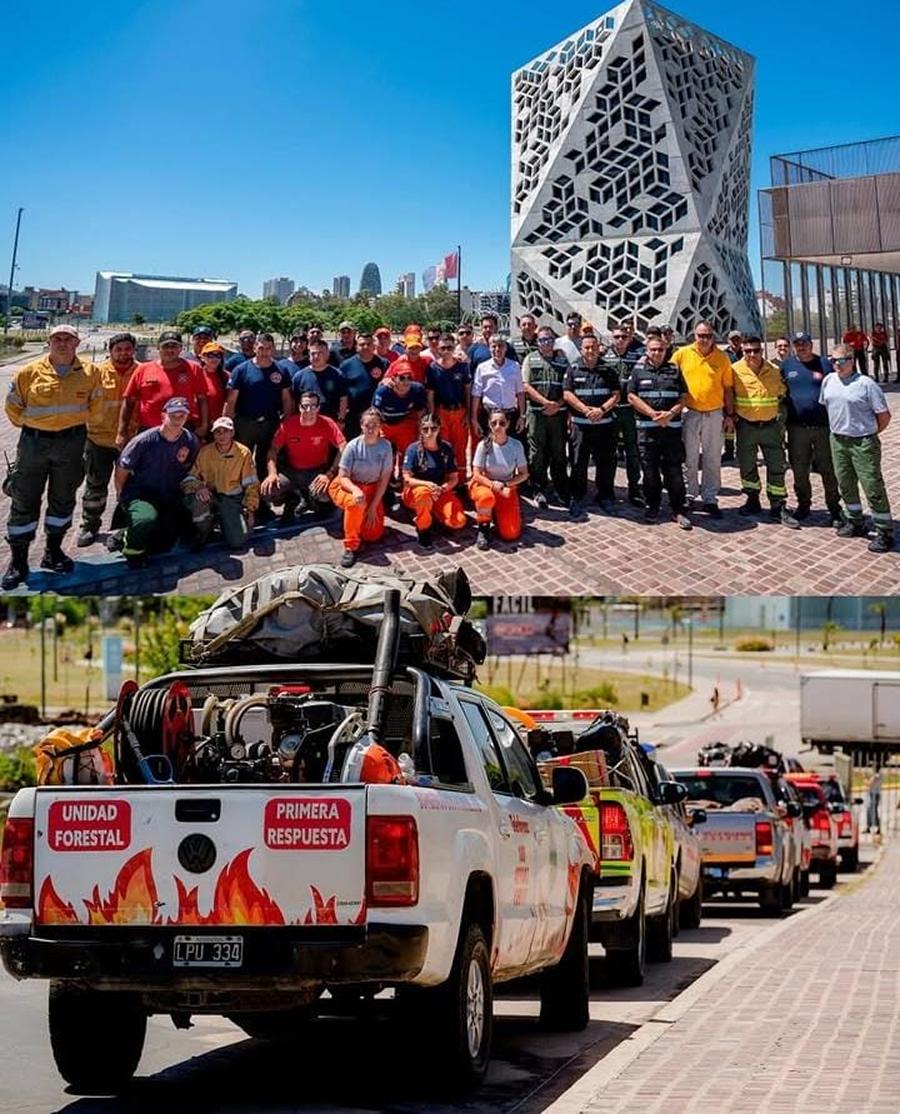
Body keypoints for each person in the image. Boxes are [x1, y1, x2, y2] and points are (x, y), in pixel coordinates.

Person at [2, 324, 102, 588]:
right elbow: (12, 406)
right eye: (56, 338)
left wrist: (71, 423)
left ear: (77, 343)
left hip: (71, 442)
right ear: (49, 342)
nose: (62, 343)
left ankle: (52, 552)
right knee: (23, 499)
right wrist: (40, 424)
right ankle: (19, 562)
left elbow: (97, 404)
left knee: (63, 499)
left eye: (67, 339)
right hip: (34, 443)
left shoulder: (90, 373)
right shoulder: (29, 372)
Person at [821, 343, 894, 552]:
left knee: (872, 486)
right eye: (832, 360)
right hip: (838, 440)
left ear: (852, 360)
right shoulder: (828, 381)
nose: (836, 364)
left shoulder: (866, 384)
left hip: (862, 442)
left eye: (841, 360)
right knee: (845, 483)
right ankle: (855, 521)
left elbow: (884, 416)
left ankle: (884, 531)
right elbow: (829, 407)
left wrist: (868, 434)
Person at [112, 397, 199, 568]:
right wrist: (121, 495)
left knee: (164, 544)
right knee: (145, 520)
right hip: (141, 494)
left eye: (182, 415)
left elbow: (190, 466)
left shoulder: (190, 440)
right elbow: (122, 470)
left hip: (168, 494)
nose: (177, 419)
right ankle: (132, 550)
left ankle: (128, 531)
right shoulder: (143, 441)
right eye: (173, 415)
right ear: (163, 416)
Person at [77, 332, 139, 548]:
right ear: (110, 350)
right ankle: (90, 525)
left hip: (132, 442)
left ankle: (122, 529)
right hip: (98, 440)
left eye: (127, 349)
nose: (123, 353)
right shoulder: (95, 372)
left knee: (130, 487)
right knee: (95, 485)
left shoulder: (142, 371)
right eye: (118, 349)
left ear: (134, 349)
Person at [731, 337, 799, 528]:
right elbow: (729, 394)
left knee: (776, 465)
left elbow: (783, 395)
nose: (752, 354)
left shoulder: (774, 371)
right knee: (747, 464)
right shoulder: (735, 370)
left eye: (755, 350)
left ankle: (777, 505)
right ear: (742, 352)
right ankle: (752, 499)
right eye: (747, 351)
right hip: (746, 427)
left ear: (762, 350)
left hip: (770, 426)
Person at [627, 335, 692, 528]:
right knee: (650, 472)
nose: (656, 353)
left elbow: (684, 397)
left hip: (670, 431)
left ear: (666, 351)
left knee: (674, 472)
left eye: (660, 350)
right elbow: (631, 396)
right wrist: (652, 414)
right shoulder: (638, 371)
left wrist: (670, 414)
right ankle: (653, 506)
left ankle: (678, 510)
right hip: (647, 432)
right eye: (653, 349)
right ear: (647, 351)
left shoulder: (674, 369)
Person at [673, 322, 735, 518]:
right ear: (694, 335)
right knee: (689, 457)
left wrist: (730, 415)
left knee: (712, 458)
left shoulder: (722, 357)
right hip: (689, 412)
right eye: (701, 335)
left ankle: (710, 498)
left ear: (713, 336)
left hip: (714, 414)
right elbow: (670, 379)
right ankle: (689, 494)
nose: (704, 339)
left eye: (708, 335)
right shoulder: (682, 354)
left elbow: (727, 389)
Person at [780, 332, 842, 524]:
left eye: (804, 343)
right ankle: (804, 505)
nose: (801, 347)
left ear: (811, 344)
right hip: (797, 428)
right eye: (797, 344)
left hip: (823, 427)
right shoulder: (787, 365)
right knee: (799, 468)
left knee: (827, 468)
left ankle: (834, 508)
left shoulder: (825, 364)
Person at [260, 390, 345, 518]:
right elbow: (273, 450)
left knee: (325, 498)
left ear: (318, 407)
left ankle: (312, 500)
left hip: (317, 471)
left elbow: (343, 447)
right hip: (292, 472)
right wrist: (272, 473)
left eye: (313, 406)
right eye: (305, 406)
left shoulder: (327, 423)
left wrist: (330, 473)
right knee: (267, 491)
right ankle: (293, 498)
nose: (309, 410)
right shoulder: (288, 424)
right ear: (299, 407)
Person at [223, 332, 293, 484]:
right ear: (255, 348)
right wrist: (228, 424)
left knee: (265, 460)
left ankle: (262, 495)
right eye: (261, 348)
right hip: (245, 423)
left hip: (270, 423)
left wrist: (286, 421)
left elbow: (286, 398)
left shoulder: (281, 370)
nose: (265, 352)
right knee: (241, 458)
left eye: (268, 348)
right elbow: (231, 400)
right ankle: (239, 492)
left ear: (273, 349)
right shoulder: (241, 370)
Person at [564, 332, 621, 518]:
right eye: (587, 347)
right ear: (581, 350)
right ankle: (577, 497)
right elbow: (567, 394)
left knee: (606, 463)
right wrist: (585, 409)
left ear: (599, 349)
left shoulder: (609, 370)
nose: (590, 351)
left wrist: (601, 410)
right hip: (581, 425)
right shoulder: (573, 369)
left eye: (593, 347)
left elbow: (616, 395)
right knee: (578, 462)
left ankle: (605, 496)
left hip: (604, 425)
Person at [328, 408, 394, 567]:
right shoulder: (352, 446)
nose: (371, 429)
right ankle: (351, 546)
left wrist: (373, 506)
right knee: (355, 503)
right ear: (361, 426)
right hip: (348, 486)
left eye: (375, 425)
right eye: (367, 425)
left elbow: (384, 479)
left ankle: (352, 522)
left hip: (372, 488)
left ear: (380, 427)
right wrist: (355, 489)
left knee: (374, 535)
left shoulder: (386, 447)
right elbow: (343, 477)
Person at [182, 415, 258, 551]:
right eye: (218, 432)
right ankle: (204, 532)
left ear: (232, 433)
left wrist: (250, 509)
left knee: (238, 541)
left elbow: (251, 483)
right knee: (196, 502)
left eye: (226, 431)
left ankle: (225, 520)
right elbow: (189, 478)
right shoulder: (205, 452)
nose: (222, 435)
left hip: (232, 499)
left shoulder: (244, 453)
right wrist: (199, 487)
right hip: (210, 495)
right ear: (213, 434)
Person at [119, 330, 208, 438]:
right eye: (166, 346)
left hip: (182, 428)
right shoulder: (143, 369)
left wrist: (203, 426)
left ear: (181, 348)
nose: (170, 350)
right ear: (158, 347)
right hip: (149, 429)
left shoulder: (194, 368)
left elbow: (202, 399)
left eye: (174, 346)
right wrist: (121, 432)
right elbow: (129, 401)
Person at [401, 415, 466, 550]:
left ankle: (432, 514)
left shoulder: (446, 448)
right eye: (425, 429)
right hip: (417, 491)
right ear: (420, 430)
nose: (429, 433)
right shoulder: (413, 449)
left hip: (439, 491)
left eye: (433, 428)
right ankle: (423, 528)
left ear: (439, 429)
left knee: (458, 522)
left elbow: (454, 478)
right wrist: (426, 485)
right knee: (424, 494)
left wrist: (443, 488)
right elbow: (406, 479)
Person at [521, 327, 570, 508]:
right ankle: (538, 487)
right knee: (536, 451)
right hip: (536, 413)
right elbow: (526, 385)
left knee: (558, 451)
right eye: (542, 340)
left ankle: (560, 487)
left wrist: (556, 404)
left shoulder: (563, 360)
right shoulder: (530, 359)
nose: (545, 343)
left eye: (549, 339)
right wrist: (545, 403)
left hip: (558, 413)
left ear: (554, 340)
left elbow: (569, 387)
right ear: (537, 342)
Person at [469, 411, 529, 549]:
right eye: (494, 423)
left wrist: (505, 484)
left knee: (511, 534)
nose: (498, 426)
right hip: (485, 485)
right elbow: (476, 474)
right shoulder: (483, 445)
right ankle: (483, 528)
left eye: (502, 423)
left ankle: (498, 515)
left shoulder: (516, 445)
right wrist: (492, 485)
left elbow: (524, 474)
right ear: (489, 425)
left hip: (506, 486)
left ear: (508, 424)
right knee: (486, 498)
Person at [603, 324, 645, 506]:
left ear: (629, 338)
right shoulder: (604, 356)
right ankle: (608, 490)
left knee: (632, 452)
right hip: (610, 410)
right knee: (609, 452)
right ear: (612, 338)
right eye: (617, 337)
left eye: (623, 337)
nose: (620, 340)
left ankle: (634, 490)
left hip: (630, 410)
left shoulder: (638, 356)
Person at [426, 334, 472, 480]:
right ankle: (444, 479)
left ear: (454, 347)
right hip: (441, 412)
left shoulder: (463, 366)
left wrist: (469, 414)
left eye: (449, 347)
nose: (446, 351)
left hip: (459, 411)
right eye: (443, 348)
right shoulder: (433, 368)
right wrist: (432, 417)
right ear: (438, 349)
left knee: (460, 448)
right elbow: (430, 395)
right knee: (442, 446)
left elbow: (468, 391)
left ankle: (461, 480)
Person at [471, 336, 526, 439]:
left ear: (506, 348)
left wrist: (522, 416)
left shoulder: (514, 366)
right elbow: (476, 395)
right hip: (489, 415)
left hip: (510, 415)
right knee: (489, 448)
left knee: (510, 448)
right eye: (493, 346)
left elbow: (521, 392)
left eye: (500, 346)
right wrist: (474, 419)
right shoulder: (482, 368)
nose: (497, 350)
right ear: (489, 348)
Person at [372, 369, 428, 466]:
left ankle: (405, 475)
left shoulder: (417, 389)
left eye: (409, 378)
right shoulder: (383, 390)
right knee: (383, 452)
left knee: (407, 451)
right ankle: (387, 475)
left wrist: (421, 431)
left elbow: (421, 412)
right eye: (402, 378)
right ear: (394, 379)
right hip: (385, 424)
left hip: (404, 423)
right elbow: (375, 412)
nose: (406, 382)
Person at [339, 332, 388, 437]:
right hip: (353, 415)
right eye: (362, 344)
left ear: (374, 346)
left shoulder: (384, 364)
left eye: (369, 344)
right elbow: (341, 392)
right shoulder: (346, 366)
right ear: (356, 346)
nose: (365, 347)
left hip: (377, 415)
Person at [291, 337, 347, 422]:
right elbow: (293, 402)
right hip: (306, 423)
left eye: (320, 353)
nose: (316, 356)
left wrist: (341, 420)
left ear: (327, 354)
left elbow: (343, 399)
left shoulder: (337, 375)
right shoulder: (299, 377)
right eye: (313, 353)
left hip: (330, 423)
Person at [197, 342, 229, 426]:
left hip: (219, 424)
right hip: (198, 424)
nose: (214, 359)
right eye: (210, 355)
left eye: (218, 355)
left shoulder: (226, 376)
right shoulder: (196, 375)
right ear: (202, 357)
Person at [865, 768, 882, 834]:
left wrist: (865, 779)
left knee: (874, 811)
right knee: (869, 810)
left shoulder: (877, 775)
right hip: (872, 794)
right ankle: (868, 827)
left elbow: (869, 783)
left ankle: (878, 828)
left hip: (874, 795)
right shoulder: (876, 775)